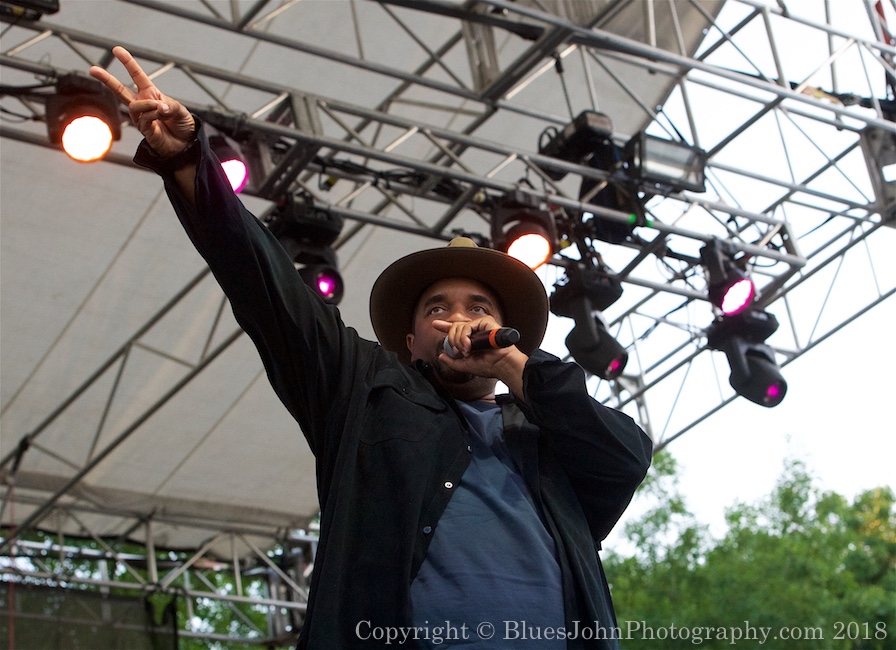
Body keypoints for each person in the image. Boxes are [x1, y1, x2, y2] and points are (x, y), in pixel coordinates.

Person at [90, 47, 652, 649]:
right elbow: (267, 290)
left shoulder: (548, 440)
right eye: (437, 309)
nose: (458, 319)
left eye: (479, 308)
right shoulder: (364, 390)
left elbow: (626, 456)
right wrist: (187, 160)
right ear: (411, 341)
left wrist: (518, 369)